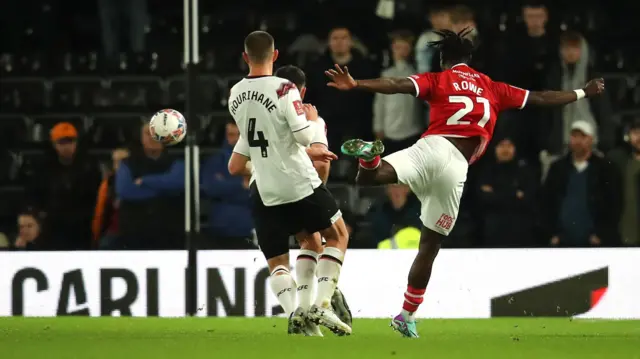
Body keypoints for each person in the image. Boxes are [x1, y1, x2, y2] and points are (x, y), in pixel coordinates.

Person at [324, 28, 605, 338]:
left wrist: (356, 83)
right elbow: (541, 97)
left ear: (444, 60)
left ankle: (369, 157)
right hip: (456, 166)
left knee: (368, 179)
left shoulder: (438, 79)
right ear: (469, 59)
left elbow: (398, 84)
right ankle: (406, 315)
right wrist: (582, 92)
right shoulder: (492, 87)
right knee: (428, 246)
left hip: (430, 147)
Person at [226, 31, 351, 336]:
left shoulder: (235, 95)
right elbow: (303, 137)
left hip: (264, 189)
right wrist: (313, 127)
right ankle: (321, 304)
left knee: (281, 259)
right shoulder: (285, 89)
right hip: (297, 181)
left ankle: (298, 314)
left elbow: (236, 165)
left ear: (245, 57)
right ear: (276, 55)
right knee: (337, 236)